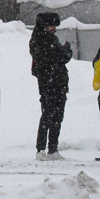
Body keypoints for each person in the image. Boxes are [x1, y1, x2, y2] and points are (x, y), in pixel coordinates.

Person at [30, 12, 71, 160]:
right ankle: (41, 149)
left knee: (57, 116)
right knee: (47, 115)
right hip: (48, 83)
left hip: (59, 82)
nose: (53, 28)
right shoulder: (38, 40)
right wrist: (63, 52)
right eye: (50, 25)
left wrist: (64, 53)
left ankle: (53, 148)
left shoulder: (51, 39)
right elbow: (49, 58)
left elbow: (60, 57)